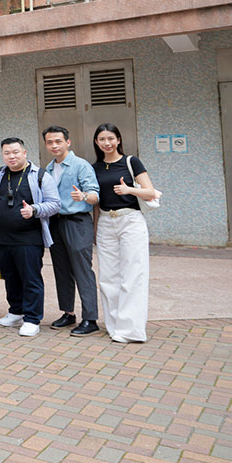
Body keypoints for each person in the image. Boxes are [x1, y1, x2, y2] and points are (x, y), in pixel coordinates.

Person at [0, 138, 60, 337]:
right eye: (7, 153)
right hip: (1, 239)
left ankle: (32, 318)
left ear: (25, 153)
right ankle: (16, 311)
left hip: (28, 239)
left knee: (30, 279)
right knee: (10, 277)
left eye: (15, 152)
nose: (11, 156)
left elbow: (55, 204)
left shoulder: (40, 176)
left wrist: (35, 209)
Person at [92, 123, 159, 343]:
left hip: (130, 220)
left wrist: (129, 189)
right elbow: (96, 202)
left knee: (133, 274)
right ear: (96, 142)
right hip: (105, 222)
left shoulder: (131, 162)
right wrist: (95, 229)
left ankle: (131, 330)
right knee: (108, 277)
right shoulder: (95, 168)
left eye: (111, 138)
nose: (107, 143)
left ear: (118, 140)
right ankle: (115, 327)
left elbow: (150, 192)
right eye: (102, 139)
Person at [43, 126, 102, 337]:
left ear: (68, 142)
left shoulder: (81, 165)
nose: (54, 145)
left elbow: (95, 194)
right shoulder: (49, 168)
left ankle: (90, 319)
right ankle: (68, 313)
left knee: (82, 270)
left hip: (77, 222)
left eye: (58, 141)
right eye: (50, 142)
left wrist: (84, 196)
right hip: (56, 223)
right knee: (61, 269)